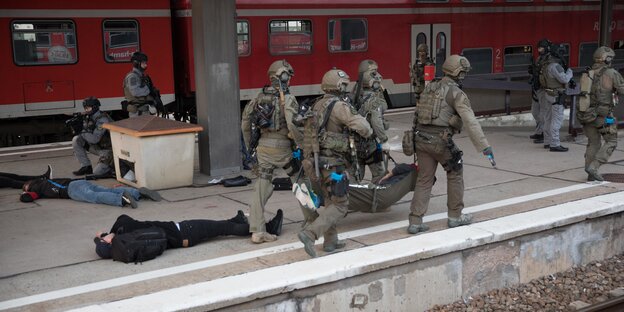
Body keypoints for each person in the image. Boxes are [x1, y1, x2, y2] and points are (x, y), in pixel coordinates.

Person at [407, 55, 493, 235]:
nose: (464, 76)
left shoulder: (429, 87)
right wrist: (484, 145)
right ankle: (455, 216)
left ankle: (415, 221)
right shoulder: (456, 93)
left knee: (424, 179)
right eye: (463, 73)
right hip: (441, 141)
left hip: (421, 139)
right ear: (458, 73)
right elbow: (470, 121)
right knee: (455, 173)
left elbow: (417, 114)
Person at [297, 68, 373, 258]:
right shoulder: (338, 106)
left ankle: (331, 242)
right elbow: (363, 126)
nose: (346, 89)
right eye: (344, 85)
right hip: (334, 164)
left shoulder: (317, 105)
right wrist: (368, 130)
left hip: (317, 164)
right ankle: (310, 233)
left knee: (331, 202)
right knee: (341, 205)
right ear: (338, 85)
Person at [241, 60, 303, 244]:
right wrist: (300, 145)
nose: (290, 80)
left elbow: (245, 122)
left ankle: (258, 230)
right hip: (284, 149)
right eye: (288, 76)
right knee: (301, 183)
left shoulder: (258, 97)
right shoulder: (288, 99)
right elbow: (292, 124)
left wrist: (250, 145)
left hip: (263, 149)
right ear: (282, 76)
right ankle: (313, 222)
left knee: (261, 188)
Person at [93, 210, 284, 259]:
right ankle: (268, 228)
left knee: (218, 227)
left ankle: (237, 219)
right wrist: (108, 233)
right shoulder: (125, 232)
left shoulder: (127, 247)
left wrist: (108, 237)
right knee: (224, 229)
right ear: (108, 241)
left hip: (182, 237)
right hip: (184, 230)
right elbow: (123, 218)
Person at [578, 46, 624, 181]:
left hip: (586, 114)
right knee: (612, 140)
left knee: (593, 142)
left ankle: (590, 173)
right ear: (607, 59)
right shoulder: (611, 73)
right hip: (605, 116)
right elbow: (622, 89)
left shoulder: (588, 73)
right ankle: (594, 167)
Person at [350, 59, 389, 183]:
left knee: (356, 175)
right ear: (367, 75)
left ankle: (352, 196)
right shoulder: (372, 99)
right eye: (374, 73)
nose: (379, 76)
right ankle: (375, 199)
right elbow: (376, 121)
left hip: (356, 142)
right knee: (380, 175)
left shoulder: (355, 91)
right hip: (370, 144)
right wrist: (384, 140)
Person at [20, 177, 162, 208]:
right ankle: (137, 193)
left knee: (94, 197)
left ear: (28, 185)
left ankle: (121, 199)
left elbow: (28, 198)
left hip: (70, 190)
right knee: (105, 189)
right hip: (78, 182)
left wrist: (23, 195)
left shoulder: (35, 188)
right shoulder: (45, 181)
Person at [537, 38, 573, 152]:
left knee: (547, 119)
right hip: (556, 96)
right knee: (556, 121)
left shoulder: (545, 64)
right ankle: (555, 144)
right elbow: (564, 79)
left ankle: (547, 142)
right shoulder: (555, 66)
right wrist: (570, 72)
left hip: (548, 94)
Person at [71, 97, 114, 176]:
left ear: (95, 107)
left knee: (97, 173)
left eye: (88, 108)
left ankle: (113, 165)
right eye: (85, 108)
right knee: (76, 140)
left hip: (108, 150)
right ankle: (86, 166)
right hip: (98, 148)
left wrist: (81, 130)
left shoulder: (103, 120)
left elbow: (95, 139)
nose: (86, 110)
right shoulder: (89, 116)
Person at [123, 51, 157, 117]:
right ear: (137, 63)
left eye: (146, 63)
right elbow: (136, 92)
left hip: (143, 111)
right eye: (143, 63)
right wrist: (148, 89)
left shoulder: (141, 76)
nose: (146, 65)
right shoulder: (132, 77)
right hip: (138, 113)